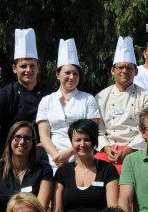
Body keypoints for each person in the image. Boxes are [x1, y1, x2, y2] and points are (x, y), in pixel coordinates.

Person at [51, 119, 119, 212]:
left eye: (87, 139)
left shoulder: (107, 170)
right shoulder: (63, 172)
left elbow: (112, 209)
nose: (82, 144)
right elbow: (56, 211)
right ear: (72, 142)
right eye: (78, 140)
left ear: (94, 142)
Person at [0, 28, 49, 164]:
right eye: (23, 66)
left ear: (38, 67)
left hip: (41, 153)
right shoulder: (4, 94)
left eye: (32, 66)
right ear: (14, 68)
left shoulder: (50, 94)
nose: (28, 70)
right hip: (9, 152)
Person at [36, 38, 100, 172]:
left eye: (75, 73)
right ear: (58, 75)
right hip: (52, 156)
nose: (72, 77)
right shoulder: (46, 100)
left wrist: (68, 154)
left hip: (81, 152)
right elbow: (44, 135)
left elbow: (91, 131)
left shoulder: (88, 99)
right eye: (67, 73)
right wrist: (56, 157)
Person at [96, 36, 148, 166]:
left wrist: (129, 149)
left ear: (135, 72)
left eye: (129, 68)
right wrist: (106, 147)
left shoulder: (147, 97)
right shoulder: (101, 97)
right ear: (113, 70)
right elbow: (98, 130)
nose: (125, 71)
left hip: (138, 148)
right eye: (120, 67)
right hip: (108, 148)